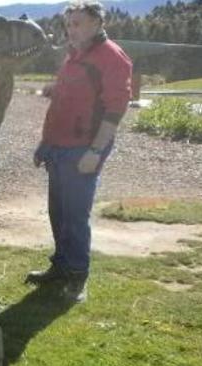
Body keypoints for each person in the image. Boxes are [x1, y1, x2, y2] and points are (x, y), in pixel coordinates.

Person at [29, 0, 132, 303]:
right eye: (69, 24)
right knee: (58, 212)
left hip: (83, 150)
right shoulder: (74, 55)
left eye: (78, 24)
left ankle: (77, 276)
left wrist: (96, 152)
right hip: (57, 147)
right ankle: (60, 267)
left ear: (98, 23)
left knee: (75, 216)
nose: (71, 30)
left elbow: (115, 110)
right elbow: (65, 99)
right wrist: (44, 143)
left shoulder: (112, 57)